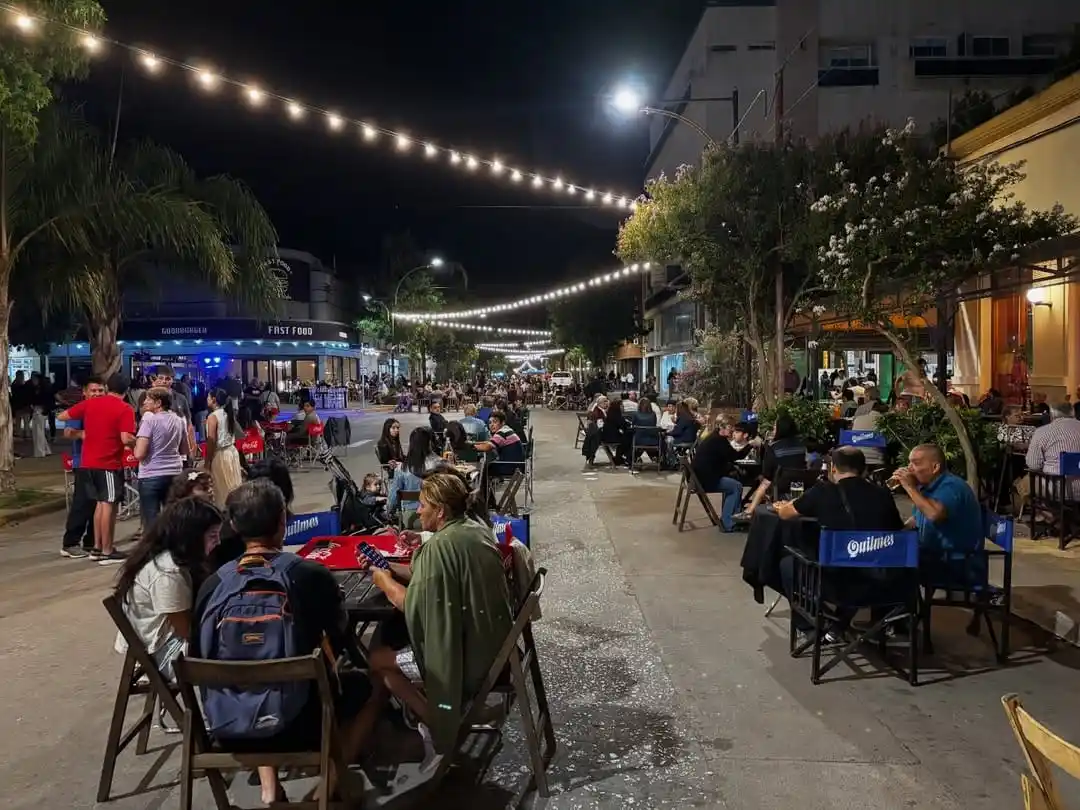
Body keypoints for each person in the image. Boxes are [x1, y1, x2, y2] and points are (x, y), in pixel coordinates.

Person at [191, 481, 385, 805]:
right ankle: (323, 792)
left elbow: (198, 653)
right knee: (373, 687)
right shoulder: (308, 575)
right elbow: (340, 634)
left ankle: (270, 789)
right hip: (302, 722)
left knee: (254, 678)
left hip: (228, 726)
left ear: (234, 525)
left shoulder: (214, 585)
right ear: (283, 522)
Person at [369, 473, 514, 769]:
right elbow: (434, 580)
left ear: (441, 511)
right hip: (493, 646)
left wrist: (383, 580)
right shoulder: (474, 530)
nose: (417, 511)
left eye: (422, 505)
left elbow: (412, 603)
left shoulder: (440, 548)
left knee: (377, 660)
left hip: (468, 660)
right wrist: (390, 568)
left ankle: (437, 721)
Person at [775, 447, 905, 639]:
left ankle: (818, 627)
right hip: (884, 583)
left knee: (787, 564)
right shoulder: (882, 494)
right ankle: (840, 623)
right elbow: (897, 529)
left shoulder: (822, 492)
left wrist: (780, 507)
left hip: (838, 584)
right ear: (863, 468)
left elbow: (786, 514)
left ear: (833, 468)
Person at [112, 498, 222, 680]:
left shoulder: (172, 558)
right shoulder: (167, 572)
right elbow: (186, 631)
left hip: (165, 646)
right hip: (162, 656)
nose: (218, 542)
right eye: (212, 536)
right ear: (191, 536)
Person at [57, 372, 137, 564]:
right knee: (107, 505)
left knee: (99, 505)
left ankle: (97, 547)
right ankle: (106, 550)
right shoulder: (125, 408)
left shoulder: (89, 405)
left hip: (87, 463)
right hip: (107, 463)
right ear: (126, 391)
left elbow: (62, 416)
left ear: (108, 388)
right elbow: (126, 438)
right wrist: (140, 442)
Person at [892, 444, 984, 578]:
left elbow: (934, 514)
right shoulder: (929, 487)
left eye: (916, 464)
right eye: (909, 463)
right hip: (936, 556)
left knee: (889, 567)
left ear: (935, 467)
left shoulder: (951, 487)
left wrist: (910, 488)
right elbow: (917, 517)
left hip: (955, 562)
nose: (909, 469)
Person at [60, 375, 106, 558]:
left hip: (104, 463)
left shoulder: (108, 409)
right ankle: (70, 543)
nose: (97, 394)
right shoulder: (80, 410)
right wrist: (84, 434)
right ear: (85, 392)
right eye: (93, 390)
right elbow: (68, 432)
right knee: (83, 503)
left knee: (101, 504)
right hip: (84, 463)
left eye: (100, 390)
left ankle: (92, 541)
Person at [134, 387, 189, 531]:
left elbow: (139, 453)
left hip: (150, 475)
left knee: (152, 521)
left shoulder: (149, 421)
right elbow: (185, 450)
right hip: (175, 473)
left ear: (158, 403)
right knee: (173, 518)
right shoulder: (179, 420)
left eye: (148, 399)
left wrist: (134, 446)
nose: (144, 402)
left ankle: (155, 551)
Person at [736, 413, 807, 520]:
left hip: (781, 484)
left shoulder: (774, 447)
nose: (773, 430)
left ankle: (749, 511)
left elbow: (767, 473)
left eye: (774, 427)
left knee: (764, 481)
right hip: (801, 483)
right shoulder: (802, 445)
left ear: (780, 429)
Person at [692, 422, 757, 531]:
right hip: (705, 481)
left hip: (698, 478)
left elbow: (724, 459)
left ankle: (733, 518)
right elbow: (735, 456)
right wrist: (750, 445)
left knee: (733, 483)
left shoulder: (714, 438)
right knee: (735, 486)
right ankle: (728, 523)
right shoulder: (719, 440)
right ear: (722, 428)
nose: (732, 432)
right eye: (730, 429)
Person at [389, 427, 440, 524]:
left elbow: (393, 498)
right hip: (436, 516)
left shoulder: (401, 469)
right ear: (429, 443)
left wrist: (389, 512)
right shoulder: (440, 464)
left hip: (410, 518)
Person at [204, 388, 244, 509]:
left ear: (214, 400)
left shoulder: (212, 417)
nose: (206, 399)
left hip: (221, 455)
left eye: (208, 397)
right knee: (233, 486)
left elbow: (211, 442)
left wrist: (207, 463)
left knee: (221, 489)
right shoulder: (227, 413)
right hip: (231, 452)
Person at [475, 410, 526, 475]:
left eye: (495, 422)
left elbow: (487, 447)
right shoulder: (506, 429)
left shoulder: (502, 432)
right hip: (517, 465)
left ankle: (484, 485)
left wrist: (471, 447)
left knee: (484, 469)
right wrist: (475, 443)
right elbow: (490, 442)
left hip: (511, 467)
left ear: (503, 422)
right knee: (489, 465)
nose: (492, 425)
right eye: (490, 422)